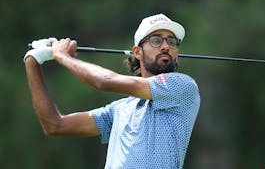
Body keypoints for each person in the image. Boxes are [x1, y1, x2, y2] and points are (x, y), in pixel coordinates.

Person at [24, 13, 201, 168]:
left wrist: (61, 56)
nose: (165, 46)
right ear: (137, 52)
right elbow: (55, 125)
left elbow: (104, 81)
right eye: (156, 40)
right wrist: (33, 62)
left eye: (172, 42)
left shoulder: (183, 86)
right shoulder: (119, 110)